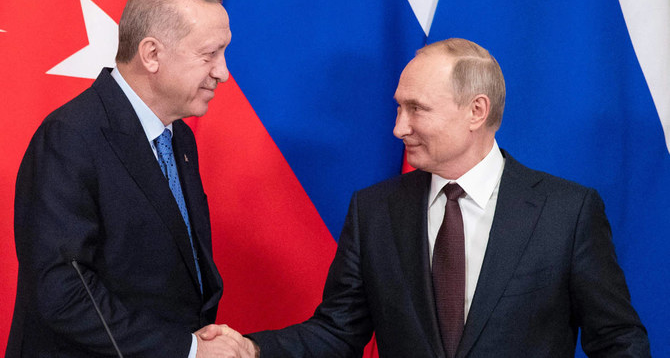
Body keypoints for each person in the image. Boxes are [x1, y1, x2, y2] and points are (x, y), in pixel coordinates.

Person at [209, 38, 651, 357]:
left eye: (416, 109)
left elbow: (618, 341)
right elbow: (337, 332)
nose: (399, 128)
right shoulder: (375, 211)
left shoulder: (567, 212)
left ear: (476, 111)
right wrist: (250, 349)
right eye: (399, 108)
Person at [7, 0, 254, 358]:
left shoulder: (180, 138)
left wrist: (197, 339)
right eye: (209, 55)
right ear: (151, 54)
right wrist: (185, 349)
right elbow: (63, 291)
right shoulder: (70, 136)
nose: (222, 72)